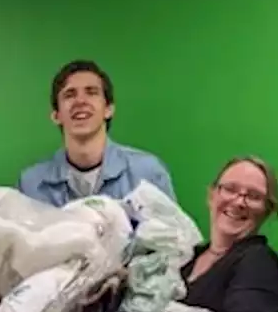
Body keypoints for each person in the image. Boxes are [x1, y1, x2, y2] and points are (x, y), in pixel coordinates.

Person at [19, 60, 175, 206]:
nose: (80, 101)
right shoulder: (31, 184)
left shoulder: (148, 173)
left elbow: (173, 234)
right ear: (56, 116)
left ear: (108, 109)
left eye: (91, 92)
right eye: (70, 94)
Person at [181, 156, 278, 312]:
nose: (239, 201)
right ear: (211, 195)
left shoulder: (258, 262)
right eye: (230, 189)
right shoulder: (190, 257)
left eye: (254, 196)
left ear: (267, 210)